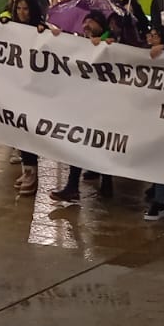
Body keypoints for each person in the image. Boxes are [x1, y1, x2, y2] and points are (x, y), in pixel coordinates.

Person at [53, 12, 117, 203]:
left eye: (92, 21)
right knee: (79, 142)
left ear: (102, 25)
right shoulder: (83, 42)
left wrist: (105, 43)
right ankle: (74, 186)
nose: (87, 25)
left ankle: (105, 181)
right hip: (83, 102)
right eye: (85, 21)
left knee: (101, 142)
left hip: (103, 103)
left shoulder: (112, 42)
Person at [5, 0, 49, 194]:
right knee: (19, 130)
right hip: (16, 86)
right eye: (19, 8)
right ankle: (27, 170)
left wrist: (44, 32)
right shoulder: (11, 26)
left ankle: (32, 173)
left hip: (34, 89)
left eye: (26, 8)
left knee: (29, 130)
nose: (22, 13)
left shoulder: (40, 29)